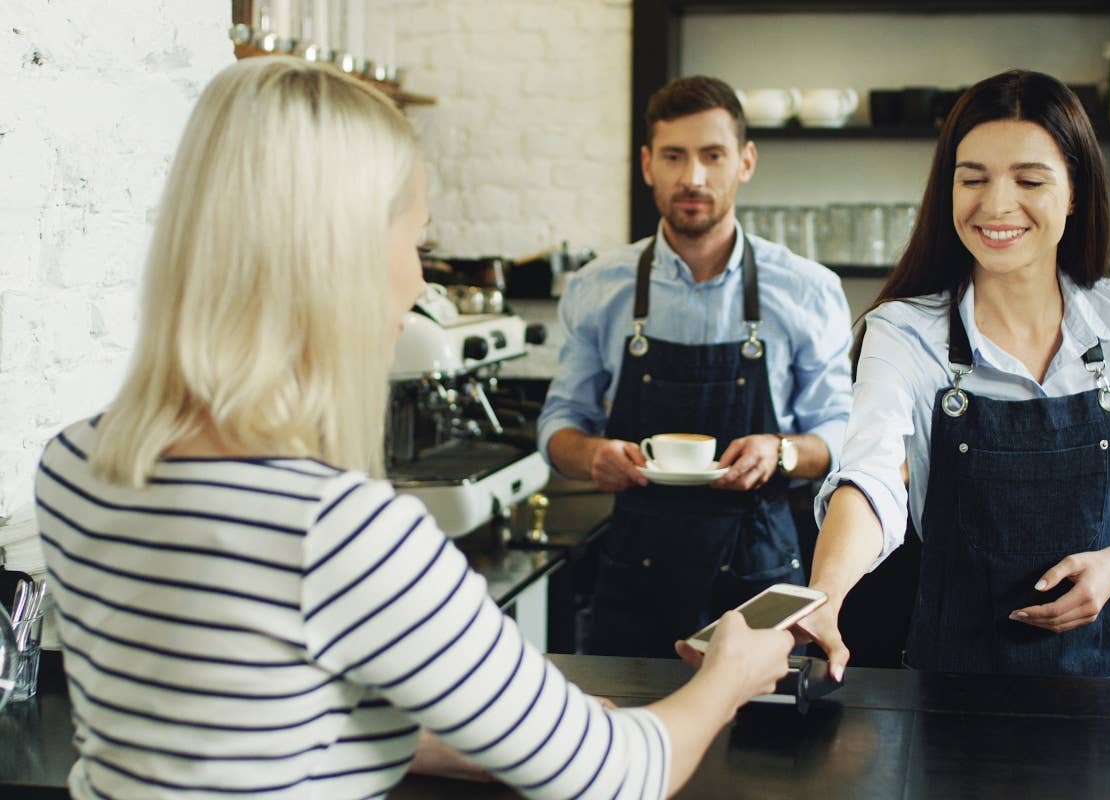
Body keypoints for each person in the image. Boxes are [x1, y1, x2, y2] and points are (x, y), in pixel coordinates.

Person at [34, 57, 797, 800]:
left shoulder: (74, 464)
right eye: (417, 243)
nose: (420, 281)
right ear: (341, 255)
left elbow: (263, 728)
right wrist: (730, 673)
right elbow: (623, 777)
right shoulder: (342, 530)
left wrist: (518, 732)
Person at [800, 69, 1110, 682]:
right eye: (972, 179)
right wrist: (824, 595)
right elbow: (871, 480)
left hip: (1108, 681)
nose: (996, 205)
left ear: (1075, 192)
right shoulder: (904, 332)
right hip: (951, 685)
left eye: (1029, 179)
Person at [537, 75, 854, 658]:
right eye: (674, 156)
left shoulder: (808, 290)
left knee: (767, 746)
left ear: (746, 161)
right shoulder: (597, 287)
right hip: (634, 576)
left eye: (713, 156)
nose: (693, 178)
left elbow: (839, 433)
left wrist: (780, 452)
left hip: (761, 583)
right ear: (647, 164)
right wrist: (591, 456)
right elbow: (559, 422)